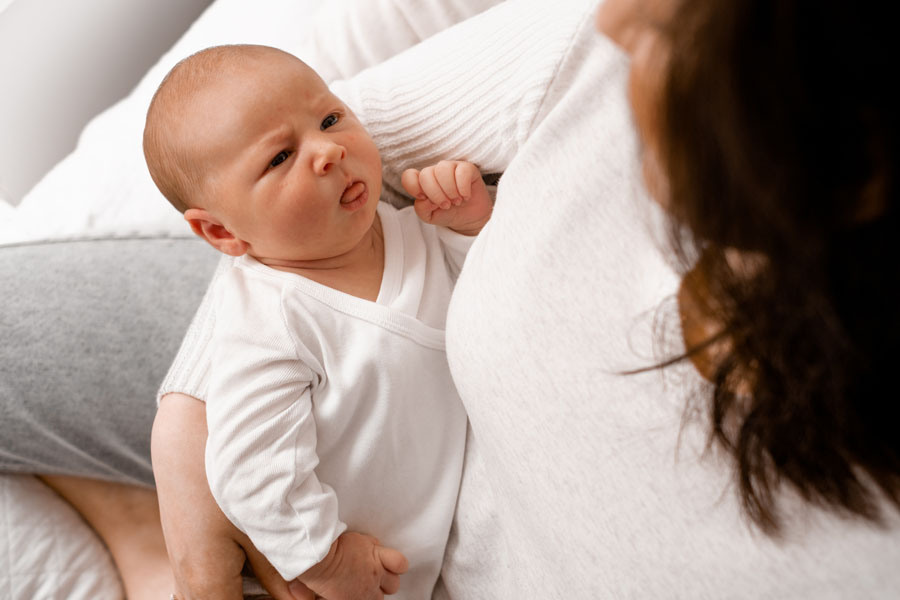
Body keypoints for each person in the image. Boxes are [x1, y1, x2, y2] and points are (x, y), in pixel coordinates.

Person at [2, 0, 899, 598]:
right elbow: (273, 164)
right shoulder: (586, 56)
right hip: (312, 347)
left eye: (671, 29)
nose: (616, 19)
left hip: (403, 551)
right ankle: (140, 533)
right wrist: (189, 463)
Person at [143, 43, 493, 599]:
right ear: (221, 233)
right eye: (279, 158)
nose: (329, 150)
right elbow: (249, 469)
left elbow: (483, 298)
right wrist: (324, 558)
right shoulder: (270, 322)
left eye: (330, 118)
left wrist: (470, 227)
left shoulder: (408, 229)